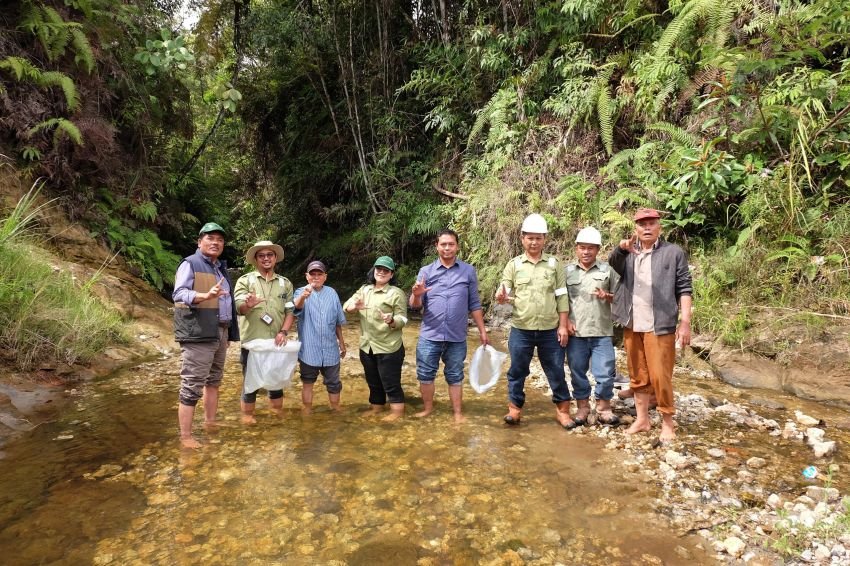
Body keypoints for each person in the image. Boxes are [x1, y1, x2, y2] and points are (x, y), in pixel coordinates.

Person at [609, 208, 692, 442]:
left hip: (660, 325)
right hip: (632, 323)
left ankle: (667, 423)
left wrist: (685, 322)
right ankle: (642, 419)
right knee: (638, 375)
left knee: (660, 376)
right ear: (635, 228)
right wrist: (620, 248)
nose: (647, 228)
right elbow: (613, 262)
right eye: (642, 224)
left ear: (659, 227)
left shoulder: (673, 253)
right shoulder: (629, 253)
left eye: (651, 223)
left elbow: (684, 287)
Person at [495, 213, 574, 428]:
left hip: (550, 329)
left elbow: (562, 295)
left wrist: (563, 325)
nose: (534, 242)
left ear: (544, 239)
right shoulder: (514, 265)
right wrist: (501, 296)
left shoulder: (554, 264)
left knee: (556, 370)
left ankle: (563, 411)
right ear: (522, 239)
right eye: (530, 238)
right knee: (517, 370)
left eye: (538, 238)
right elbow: (504, 288)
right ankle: (514, 409)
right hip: (521, 328)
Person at [409, 229, 489, 423]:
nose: (447, 248)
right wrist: (417, 295)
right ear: (436, 246)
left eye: (451, 244)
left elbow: (474, 304)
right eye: (443, 244)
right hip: (430, 335)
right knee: (425, 374)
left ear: (457, 246)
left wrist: (482, 330)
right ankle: (428, 409)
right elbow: (414, 306)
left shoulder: (468, 271)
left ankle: (457, 413)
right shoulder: (426, 271)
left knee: (455, 375)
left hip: (457, 336)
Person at [173, 222, 239, 448]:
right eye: (210, 238)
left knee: (214, 380)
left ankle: (210, 422)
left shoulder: (220, 267)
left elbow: (226, 302)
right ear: (199, 241)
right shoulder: (190, 263)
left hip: (220, 330)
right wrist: (204, 295)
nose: (215, 243)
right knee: (192, 383)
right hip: (198, 331)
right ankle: (186, 437)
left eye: (220, 240)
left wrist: (229, 333)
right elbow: (179, 294)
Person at [233, 240, 295, 424]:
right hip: (252, 341)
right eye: (261, 255)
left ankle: (276, 412)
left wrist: (284, 332)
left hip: (276, 340)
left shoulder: (285, 283)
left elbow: (290, 312)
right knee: (250, 382)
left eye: (269, 255)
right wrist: (248, 305)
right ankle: (247, 415)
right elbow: (239, 309)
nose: (266, 258)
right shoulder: (245, 281)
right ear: (255, 259)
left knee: (276, 380)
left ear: (275, 258)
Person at [565, 227, 621, 427]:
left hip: (601, 331)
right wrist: (564, 322)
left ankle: (604, 408)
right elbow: (559, 301)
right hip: (576, 332)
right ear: (576, 248)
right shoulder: (566, 272)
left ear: (598, 249)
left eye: (591, 248)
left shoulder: (608, 271)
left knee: (605, 372)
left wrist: (607, 296)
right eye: (582, 248)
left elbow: (621, 297)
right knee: (577, 372)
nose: (586, 252)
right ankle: (583, 407)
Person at [343, 256, 407, 422]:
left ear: (391, 274)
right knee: (373, 382)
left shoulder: (396, 293)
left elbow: (403, 319)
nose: (381, 272)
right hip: (367, 346)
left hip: (389, 347)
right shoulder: (364, 290)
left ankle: (397, 413)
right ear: (374, 270)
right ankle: (377, 408)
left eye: (386, 270)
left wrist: (391, 320)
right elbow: (346, 307)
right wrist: (354, 307)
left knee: (391, 383)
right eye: (379, 269)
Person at [293, 260, 347, 414]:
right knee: (307, 382)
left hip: (331, 349)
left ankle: (335, 408)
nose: (316, 277)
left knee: (334, 383)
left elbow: (337, 322)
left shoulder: (332, 293)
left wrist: (342, 343)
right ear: (307, 276)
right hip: (309, 349)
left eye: (319, 274)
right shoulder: (300, 292)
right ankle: (307, 409)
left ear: (325, 277)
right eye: (312, 274)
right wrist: (303, 296)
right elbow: (296, 307)